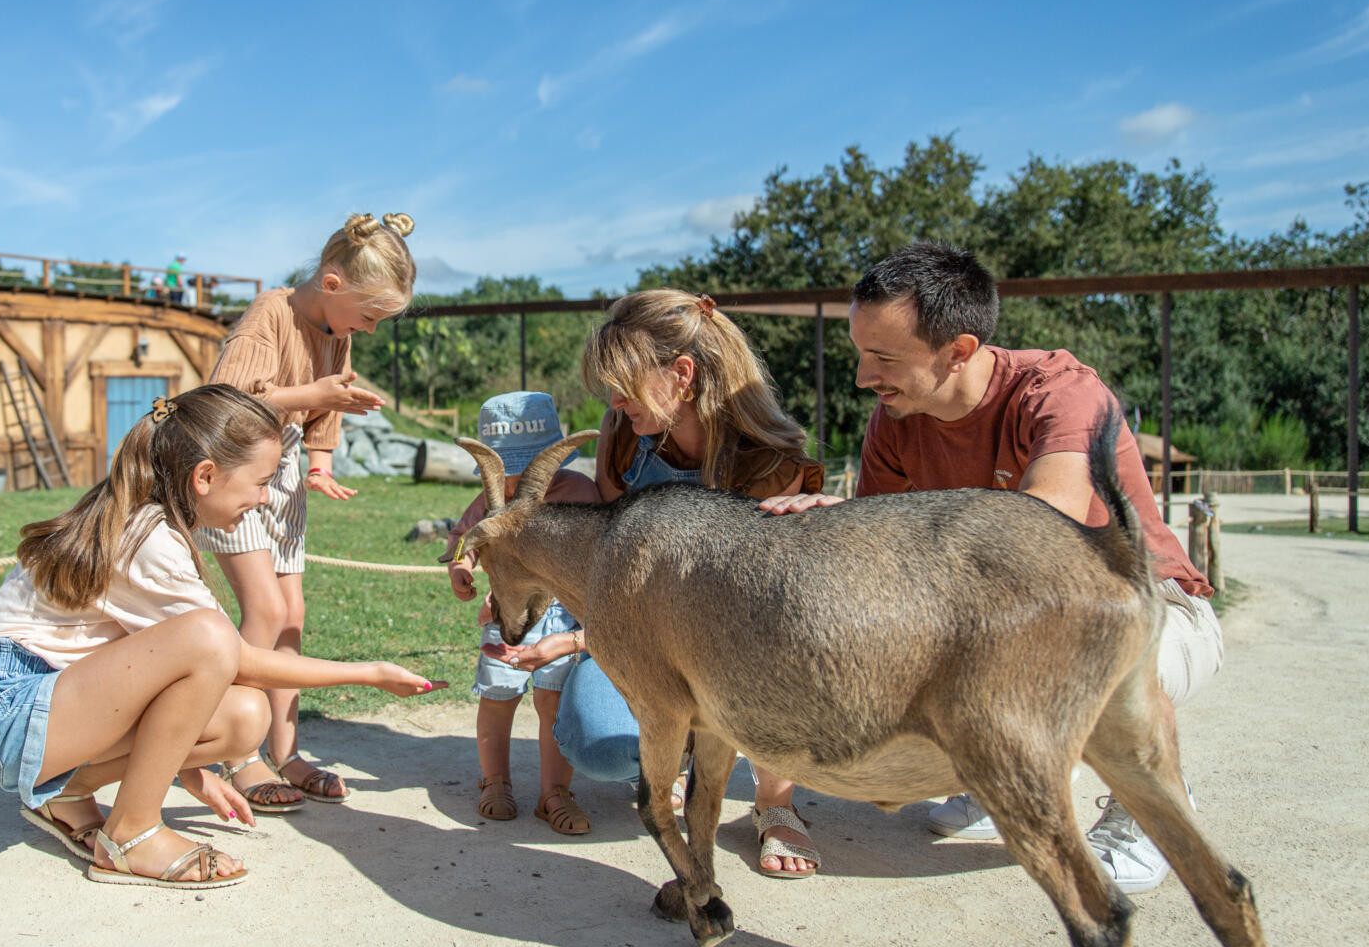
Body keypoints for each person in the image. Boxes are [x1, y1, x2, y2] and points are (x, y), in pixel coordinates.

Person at [761, 241, 1223, 894]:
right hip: (1009, 621)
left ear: (960, 350)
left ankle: (1147, 808)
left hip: (1153, 609)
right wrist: (830, 530)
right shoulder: (895, 420)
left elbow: (1039, 528)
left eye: (884, 358)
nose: (865, 377)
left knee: (1075, 650)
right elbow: (890, 570)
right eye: (861, 354)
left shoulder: (1063, 391)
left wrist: (878, 526)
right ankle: (996, 778)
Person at [0, 384, 443, 889]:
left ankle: (68, 794)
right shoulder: (147, 537)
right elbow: (230, 658)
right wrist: (369, 673)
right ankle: (132, 835)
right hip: (11, 714)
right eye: (261, 481)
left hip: (38, 708)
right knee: (210, 638)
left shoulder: (141, 515)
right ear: (206, 475)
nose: (264, 498)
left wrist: (191, 771)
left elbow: (169, 678)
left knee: (242, 718)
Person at [504, 289, 828, 878]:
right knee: (596, 744)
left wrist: (578, 644)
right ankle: (677, 751)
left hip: (741, 644)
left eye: (624, 385)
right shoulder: (624, 432)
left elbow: (773, 622)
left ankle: (774, 805)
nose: (614, 401)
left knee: (769, 665)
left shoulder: (775, 463)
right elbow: (615, 568)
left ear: (682, 375)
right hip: (646, 633)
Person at [200, 212, 418, 812]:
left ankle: (286, 749)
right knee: (264, 606)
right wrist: (314, 396)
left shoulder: (335, 331)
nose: (370, 330)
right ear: (331, 284)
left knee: (291, 611)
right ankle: (236, 752)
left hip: (287, 466)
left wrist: (320, 463)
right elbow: (230, 399)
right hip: (235, 466)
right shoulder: (269, 313)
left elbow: (326, 414)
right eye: (369, 315)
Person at [443, 393, 602, 835]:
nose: (512, 480)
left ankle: (555, 792)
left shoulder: (579, 493)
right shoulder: (492, 499)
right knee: (498, 697)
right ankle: (494, 781)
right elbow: (463, 536)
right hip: (504, 614)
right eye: (504, 469)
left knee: (553, 702)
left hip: (565, 618)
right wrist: (462, 566)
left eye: (522, 466)